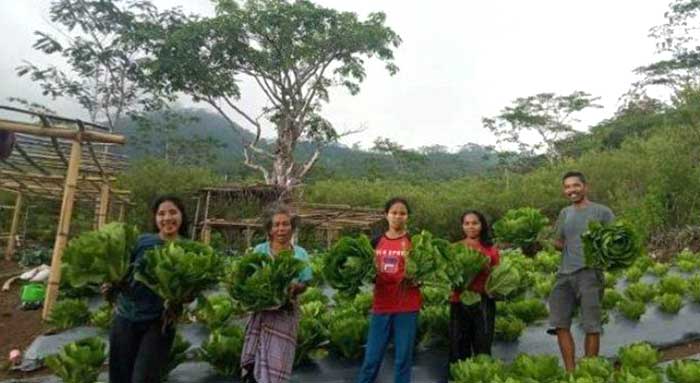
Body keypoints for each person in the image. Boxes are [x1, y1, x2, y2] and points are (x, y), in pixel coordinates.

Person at [108, 195, 188, 383]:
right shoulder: (141, 242)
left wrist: (183, 297)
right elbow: (119, 271)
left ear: (182, 215)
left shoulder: (189, 248)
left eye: (172, 212)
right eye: (161, 214)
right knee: (120, 376)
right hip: (126, 317)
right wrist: (111, 283)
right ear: (155, 218)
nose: (167, 218)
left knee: (144, 378)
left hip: (160, 322)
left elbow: (192, 289)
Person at [548, 171, 614, 372]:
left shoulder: (602, 212)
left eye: (575, 185)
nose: (571, 190)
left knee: (591, 325)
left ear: (585, 187)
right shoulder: (565, 213)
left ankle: (589, 371)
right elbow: (559, 242)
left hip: (590, 273)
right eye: (567, 187)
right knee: (559, 324)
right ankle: (571, 372)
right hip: (564, 274)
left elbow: (617, 240)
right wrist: (556, 243)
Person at [241, 204, 312, 383]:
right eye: (276, 225)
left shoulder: (300, 254)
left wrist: (295, 288)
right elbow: (247, 279)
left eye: (285, 224)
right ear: (270, 229)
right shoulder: (259, 251)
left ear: (292, 227)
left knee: (279, 361)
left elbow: (306, 282)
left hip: (286, 316)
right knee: (255, 360)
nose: (281, 229)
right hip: (261, 314)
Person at [356, 197, 421, 383]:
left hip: (407, 307)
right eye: (394, 212)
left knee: (402, 360)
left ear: (407, 217)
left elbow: (427, 273)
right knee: (371, 359)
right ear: (386, 215)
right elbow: (365, 271)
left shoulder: (415, 242)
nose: (398, 216)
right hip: (381, 306)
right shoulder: (374, 242)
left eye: (402, 213)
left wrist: (417, 278)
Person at [448, 210, 500, 363]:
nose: (471, 227)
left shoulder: (491, 250)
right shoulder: (454, 248)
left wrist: (487, 271)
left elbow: (498, 277)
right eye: (467, 223)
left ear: (482, 225)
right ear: (462, 226)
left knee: (482, 347)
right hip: (458, 302)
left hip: (483, 303)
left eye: (475, 223)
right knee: (458, 347)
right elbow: (447, 276)